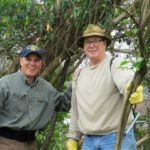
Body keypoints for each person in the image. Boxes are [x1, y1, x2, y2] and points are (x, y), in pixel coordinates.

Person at [66, 24, 143, 150]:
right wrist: (73, 137)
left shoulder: (115, 63)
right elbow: (76, 110)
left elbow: (126, 80)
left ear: (105, 44)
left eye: (96, 40)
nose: (91, 45)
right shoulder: (79, 75)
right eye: (87, 42)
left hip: (117, 138)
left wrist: (132, 88)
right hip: (89, 142)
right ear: (83, 47)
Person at [0, 45, 71, 150]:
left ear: (41, 64)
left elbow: (64, 104)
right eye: (28, 59)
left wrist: (75, 84)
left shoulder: (46, 88)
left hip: (31, 145)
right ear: (21, 61)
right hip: (5, 143)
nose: (32, 64)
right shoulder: (5, 83)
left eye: (36, 60)